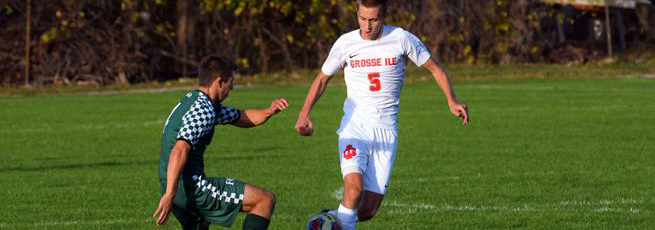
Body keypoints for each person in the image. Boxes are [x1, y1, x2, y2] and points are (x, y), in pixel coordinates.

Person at [294, 0, 470, 229]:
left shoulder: (401, 38)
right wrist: (304, 113)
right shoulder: (345, 43)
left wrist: (451, 100)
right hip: (354, 128)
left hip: (386, 132)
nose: (367, 26)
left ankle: (326, 219)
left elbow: (435, 68)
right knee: (354, 189)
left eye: (374, 19)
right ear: (357, 14)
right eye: (363, 19)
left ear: (385, 15)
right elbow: (322, 79)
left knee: (367, 210)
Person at [152, 54, 289, 230]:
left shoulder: (196, 101)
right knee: (264, 200)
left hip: (170, 183)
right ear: (219, 82)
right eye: (230, 82)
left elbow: (241, 117)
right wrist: (170, 195)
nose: (231, 88)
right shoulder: (204, 110)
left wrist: (270, 110)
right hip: (189, 187)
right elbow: (180, 149)